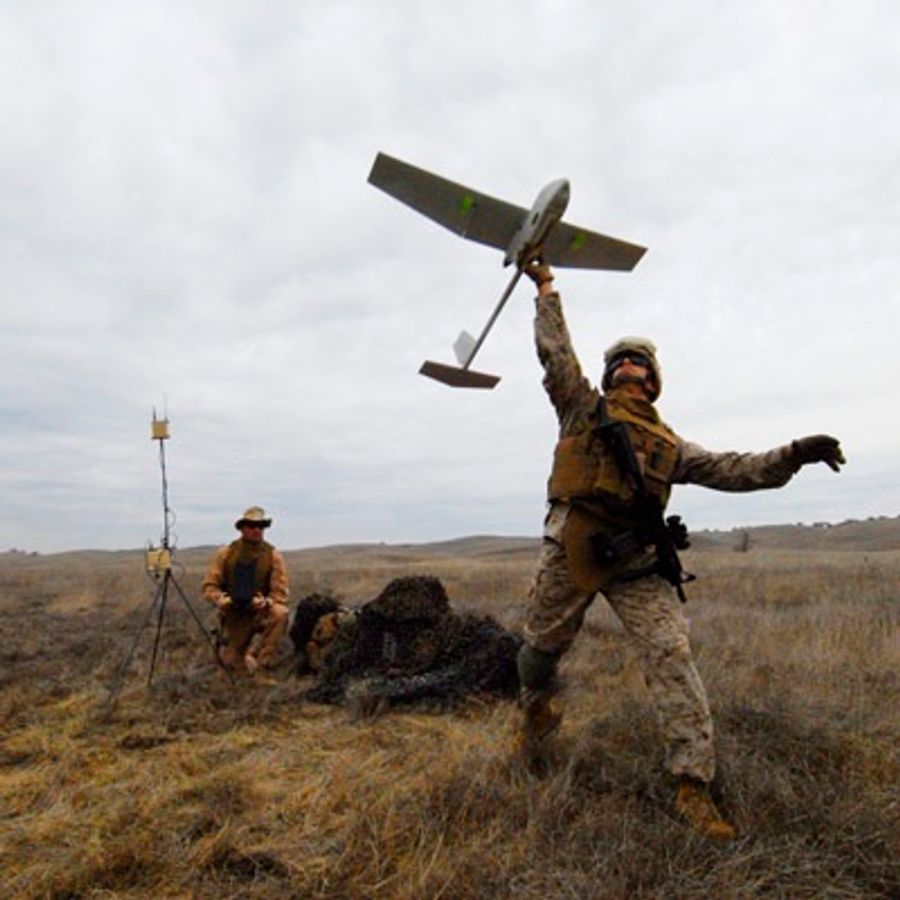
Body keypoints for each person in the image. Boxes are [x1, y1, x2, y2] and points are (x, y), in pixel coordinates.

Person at [515, 258, 845, 840]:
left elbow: (737, 470)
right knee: (540, 649)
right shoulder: (580, 408)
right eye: (619, 361)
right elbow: (557, 354)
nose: (628, 366)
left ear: (654, 379)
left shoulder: (672, 447)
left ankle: (692, 783)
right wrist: (546, 289)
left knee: (672, 654)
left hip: (637, 561)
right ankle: (534, 710)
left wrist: (794, 452)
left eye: (638, 362)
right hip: (572, 547)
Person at [202, 506, 290, 674]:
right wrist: (221, 599)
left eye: (261, 526)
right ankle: (242, 656)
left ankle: (264, 662)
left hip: (259, 613)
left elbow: (280, 593)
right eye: (251, 526)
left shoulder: (273, 556)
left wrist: (266, 602)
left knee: (280, 613)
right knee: (233, 668)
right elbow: (209, 586)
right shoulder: (225, 553)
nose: (257, 530)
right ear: (242, 528)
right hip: (232, 613)